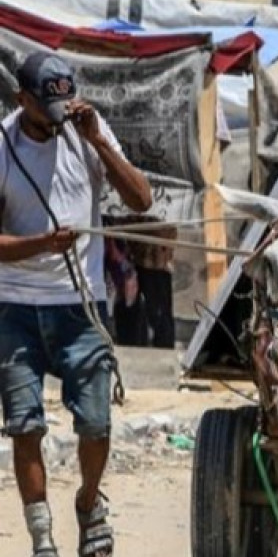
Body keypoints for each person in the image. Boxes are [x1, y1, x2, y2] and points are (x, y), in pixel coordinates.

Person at [0, 53, 153, 557]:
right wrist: (41, 245)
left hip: (81, 308)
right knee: (26, 426)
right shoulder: (3, 145)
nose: (59, 113)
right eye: (48, 105)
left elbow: (141, 200)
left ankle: (89, 503)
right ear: (22, 101)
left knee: (95, 424)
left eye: (64, 100)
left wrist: (98, 143)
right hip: (14, 308)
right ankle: (42, 539)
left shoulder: (87, 130)